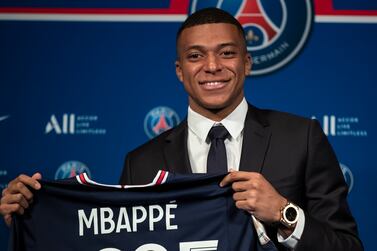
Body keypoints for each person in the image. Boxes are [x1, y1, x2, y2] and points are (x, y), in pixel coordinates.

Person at [0, 8, 362, 251]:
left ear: (247, 62)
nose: (212, 66)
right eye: (195, 56)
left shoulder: (302, 138)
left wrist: (284, 214)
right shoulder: (140, 163)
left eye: (226, 53)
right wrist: (33, 215)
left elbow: (347, 246)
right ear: (179, 70)